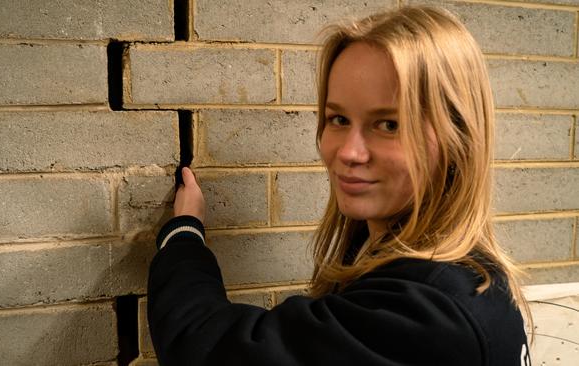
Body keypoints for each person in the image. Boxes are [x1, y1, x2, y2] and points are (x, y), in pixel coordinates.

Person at [147, 5, 532, 366]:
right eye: (338, 119)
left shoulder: (429, 314)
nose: (349, 152)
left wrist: (183, 235)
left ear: (457, 138)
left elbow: (209, 349)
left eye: (389, 124)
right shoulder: (469, 277)